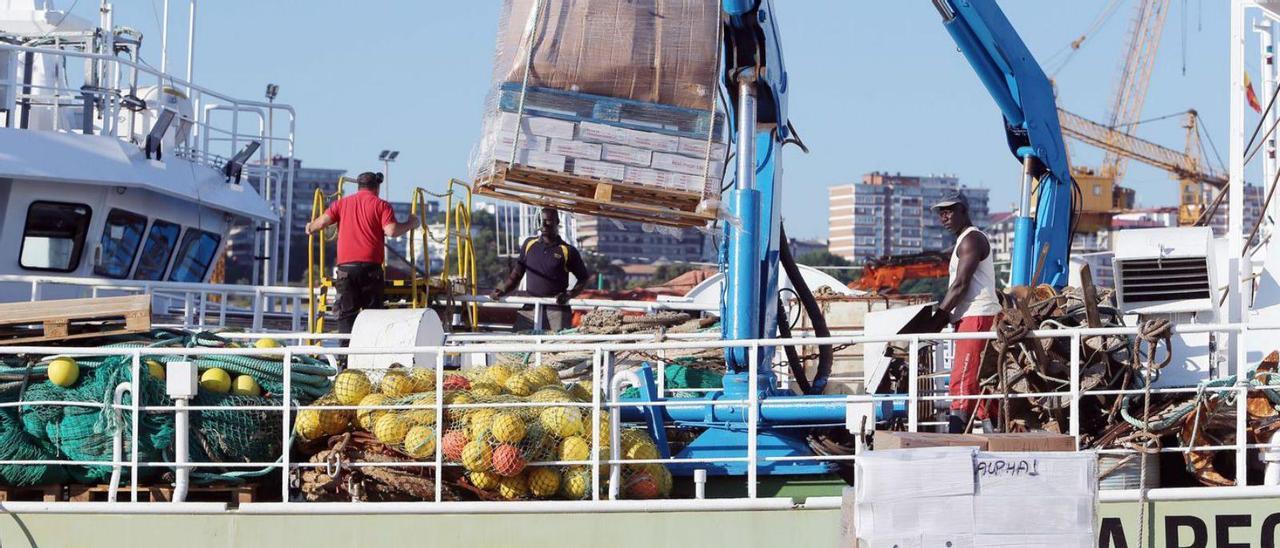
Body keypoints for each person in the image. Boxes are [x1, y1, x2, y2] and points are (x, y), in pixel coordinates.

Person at [304, 171, 419, 342]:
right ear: (377, 187)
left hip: (346, 269)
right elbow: (391, 231)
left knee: (346, 314)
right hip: (371, 269)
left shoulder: (341, 204)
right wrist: (411, 223)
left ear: (358, 186)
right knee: (373, 317)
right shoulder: (381, 205)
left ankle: (344, 360)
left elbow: (320, 224)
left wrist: (309, 227)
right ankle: (369, 358)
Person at [931, 190, 1002, 433]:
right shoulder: (965, 240)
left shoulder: (971, 240)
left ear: (963, 210)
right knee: (975, 383)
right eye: (941, 213)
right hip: (971, 316)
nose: (944, 217)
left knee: (962, 381)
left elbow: (960, 285)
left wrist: (939, 317)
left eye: (949, 211)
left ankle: (956, 438)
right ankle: (997, 434)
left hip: (977, 315)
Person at [489, 208, 590, 332]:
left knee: (556, 346)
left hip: (556, 307)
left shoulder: (567, 250)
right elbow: (515, 275)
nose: (544, 225)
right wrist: (502, 289)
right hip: (531, 305)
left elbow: (583, 277)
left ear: (557, 221)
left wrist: (569, 294)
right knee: (519, 341)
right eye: (541, 221)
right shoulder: (529, 244)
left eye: (548, 221)